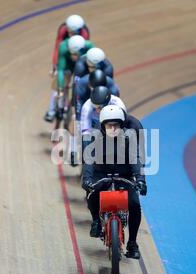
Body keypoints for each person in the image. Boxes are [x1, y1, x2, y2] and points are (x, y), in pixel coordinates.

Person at [81, 105, 147, 259]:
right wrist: (87, 179)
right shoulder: (95, 137)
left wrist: (141, 180)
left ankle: (132, 243)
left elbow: (135, 160)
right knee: (92, 193)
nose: (113, 128)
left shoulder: (128, 138)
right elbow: (89, 161)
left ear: (122, 125)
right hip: (101, 173)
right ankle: (96, 220)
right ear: (103, 126)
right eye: (109, 125)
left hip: (125, 175)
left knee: (135, 205)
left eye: (116, 125)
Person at [44, 35, 94, 122]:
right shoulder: (63, 47)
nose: (72, 56)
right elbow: (61, 70)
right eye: (71, 53)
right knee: (57, 85)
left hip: (83, 65)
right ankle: (51, 112)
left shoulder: (89, 47)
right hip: (68, 65)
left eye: (75, 54)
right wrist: (60, 89)